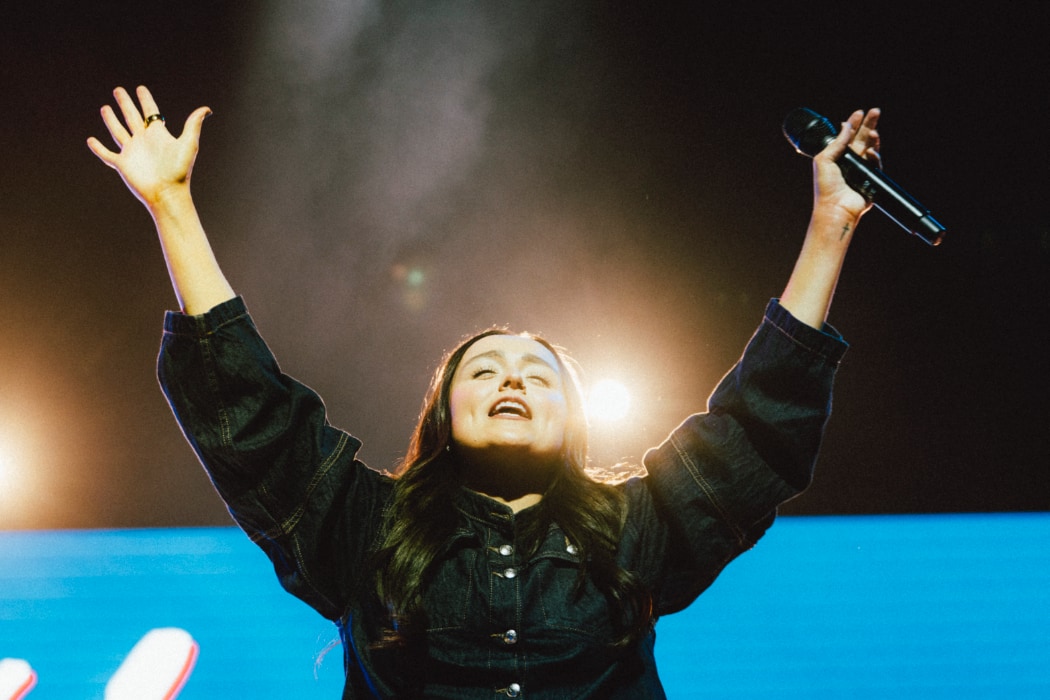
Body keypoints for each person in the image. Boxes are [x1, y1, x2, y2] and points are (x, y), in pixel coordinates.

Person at [88, 85, 881, 699]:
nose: (513, 379)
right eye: (486, 369)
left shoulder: (639, 530)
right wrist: (172, 205)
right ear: (442, 414)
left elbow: (758, 425)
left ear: (572, 419)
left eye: (541, 374)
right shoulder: (363, 529)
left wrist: (830, 225)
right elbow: (247, 410)